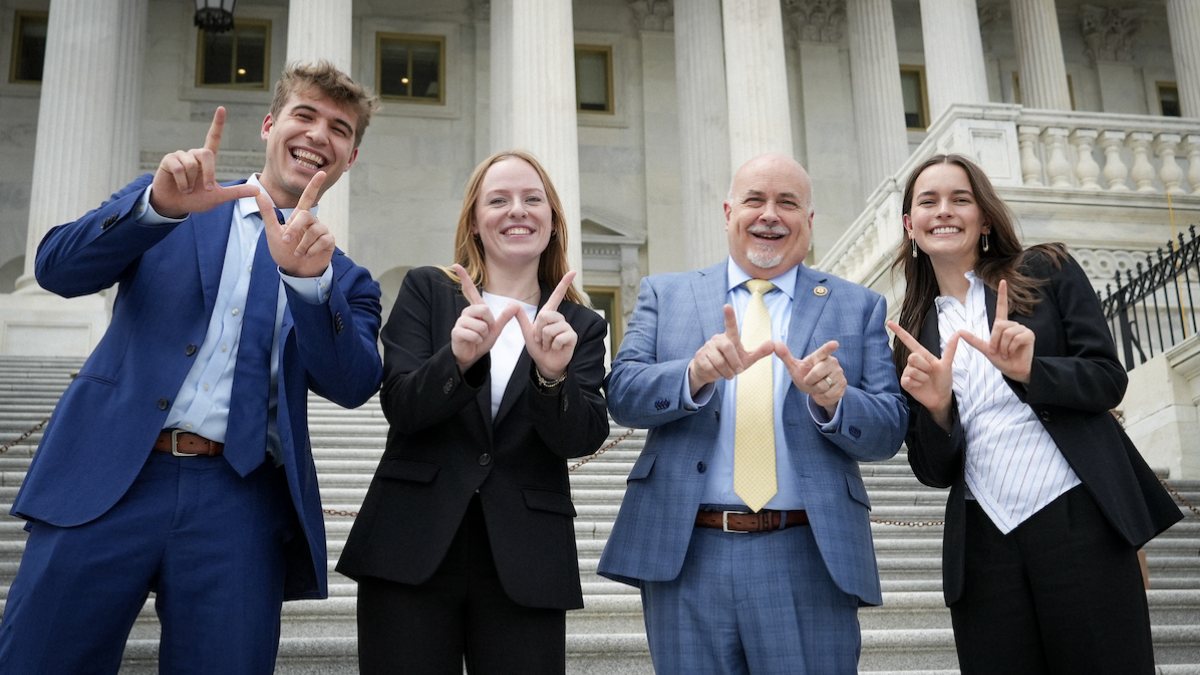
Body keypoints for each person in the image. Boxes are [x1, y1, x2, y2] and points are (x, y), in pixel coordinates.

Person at [0, 61, 384, 674]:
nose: (319, 135)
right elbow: (56, 269)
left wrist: (311, 286)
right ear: (269, 126)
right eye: (305, 115)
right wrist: (155, 209)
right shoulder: (172, 202)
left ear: (351, 157)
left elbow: (354, 384)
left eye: (339, 129)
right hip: (107, 476)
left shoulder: (344, 278)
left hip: (238, 500)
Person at [597, 152, 908, 674]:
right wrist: (693, 374)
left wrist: (836, 401)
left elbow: (889, 430)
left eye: (787, 203)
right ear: (728, 213)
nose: (769, 215)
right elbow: (622, 393)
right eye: (754, 200)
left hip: (807, 554)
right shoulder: (666, 293)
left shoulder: (857, 306)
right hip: (686, 552)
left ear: (808, 220)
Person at [887, 153, 1182, 674]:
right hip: (983, 544)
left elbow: (1107, 379)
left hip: (1077, 514)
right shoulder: (913, 334)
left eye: (960, 198)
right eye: (928, 201)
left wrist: (1031, 371)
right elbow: (933, 471)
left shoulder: (1046, 271)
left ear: (984, 218)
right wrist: (937, 411)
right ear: (911, 225)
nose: (944, 210)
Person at [336, 150, 610, 674]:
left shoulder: (581, 324)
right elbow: (401, 406)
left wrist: (552, 376)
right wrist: (458, 360)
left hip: (527, 555)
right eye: (498, 200)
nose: (517, 210)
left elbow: (581, 438)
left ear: (553, 222)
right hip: (411, 543)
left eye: (533, 200)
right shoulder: (427, 290)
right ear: (475, 223)